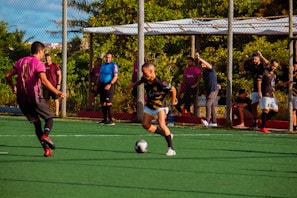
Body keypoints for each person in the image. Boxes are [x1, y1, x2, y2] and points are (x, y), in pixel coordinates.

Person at [5, 41, 67, 157]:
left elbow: (7, 75)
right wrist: (57, 91)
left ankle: (46, 150)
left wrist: (13, 86)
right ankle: (46, 135)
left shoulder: (21, 61)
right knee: (49, 118)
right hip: (34, 98)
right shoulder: (38, 63)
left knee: (37, 124)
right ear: (39, 51)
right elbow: (44, 81)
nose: (43, 54)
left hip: (22, 100)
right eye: (43, 51)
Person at [127, 62, 178, 156]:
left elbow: (173, 89)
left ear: (151, 71)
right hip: (150, 106)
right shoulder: (145, 79)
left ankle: (171, 149)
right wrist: (132, 85)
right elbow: (141, 81)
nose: (143, 75)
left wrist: (173, 99)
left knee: (162, 124)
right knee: (145, 125)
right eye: (142, 72)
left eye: (145, 73)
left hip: (160, 106)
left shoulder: (160, 82)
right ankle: (167, 135)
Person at [258, 60, 291, 133]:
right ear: (270, 64)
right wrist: (259, 91)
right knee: (266, 109)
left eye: (275, 67)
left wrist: (286, 83)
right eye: (273, 66)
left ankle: (263, 121)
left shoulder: (274, 74)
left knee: (275, 110)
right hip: (265, 93)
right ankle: (263, 127)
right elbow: (259, 81)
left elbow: (278, 84)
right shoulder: (264, 72)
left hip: (272, 94)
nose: (274, 68)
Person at [239, 51, 269, 128]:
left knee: (263, 107)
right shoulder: (252, 66)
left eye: (255, 59)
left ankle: (263, 123)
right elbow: (241, 69)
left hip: (263, 89)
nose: (254, 61)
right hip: (255, 89)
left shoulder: (262, 66)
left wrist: (261, 56)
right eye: (253, 59)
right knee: (253, 106)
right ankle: (255, 122)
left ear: (258, 59)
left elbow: (268, 63)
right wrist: (244, 60)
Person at [98, 52, 118, 125]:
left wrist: (110, 84)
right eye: (106, 57)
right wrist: (97, 83)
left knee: (108, 102)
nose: (107, 59)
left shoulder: (113, 65)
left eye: (109, 57)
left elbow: (115, 76)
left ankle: (110, 119)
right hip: (102, 84)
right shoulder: (103, 65)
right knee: (103, 102)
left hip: (109, 84)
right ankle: (104, 119)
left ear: (111, 58)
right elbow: (100, 75)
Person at [199, 54, 219, 127]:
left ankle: (207, 120)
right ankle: (214, 122)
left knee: (208, 104)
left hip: (213, 90)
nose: (203, 65)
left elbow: (208, 64)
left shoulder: (211, 69)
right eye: (201, 64)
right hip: (208, 90)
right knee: (212, 106)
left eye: (204, 64)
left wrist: (200, 58)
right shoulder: (204, 72)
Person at [292, 63, 297, 131]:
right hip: (292, 94)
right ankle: (294, 125)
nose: (295, 68)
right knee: (293, 111)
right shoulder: (290, 74)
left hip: (296, 94)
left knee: (295, 110)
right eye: (294, 67)